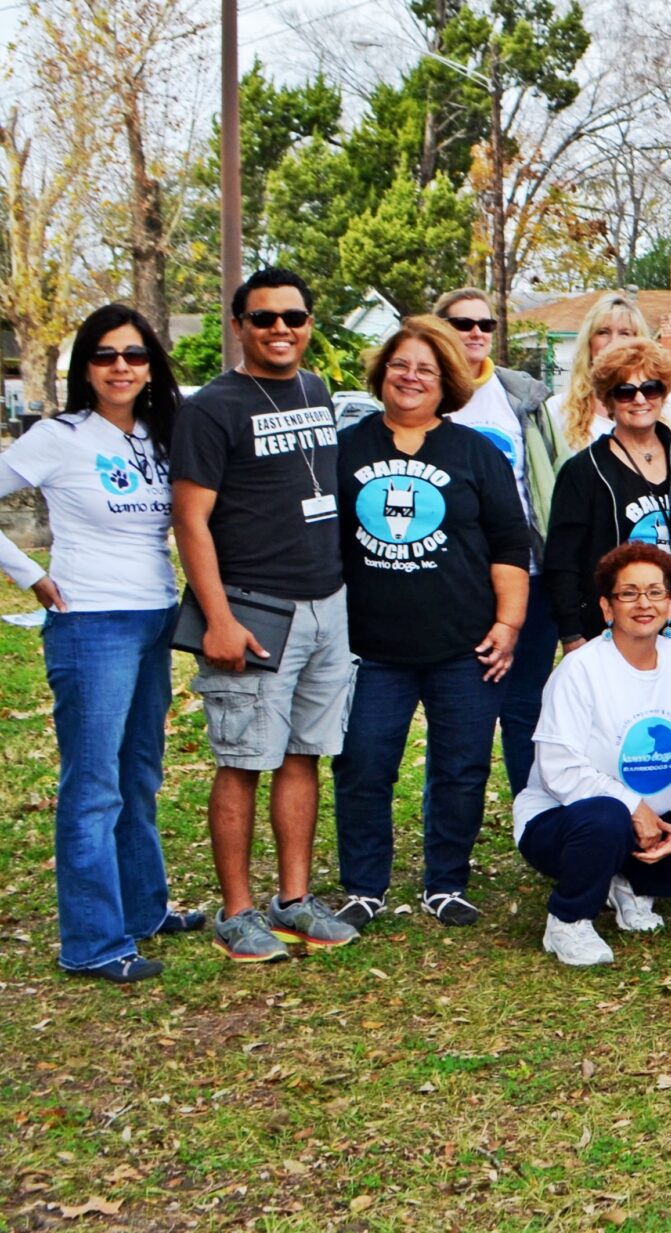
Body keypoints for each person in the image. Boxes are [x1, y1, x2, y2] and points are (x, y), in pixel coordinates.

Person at [168, 267, 363, 960]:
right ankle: (237, 912)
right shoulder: (211, 408)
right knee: (243, 759)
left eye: (294, 317)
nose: (280, 328)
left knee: (305, 753)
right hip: (256, 607)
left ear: (309, 324)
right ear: (239, 326)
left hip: (327, 603)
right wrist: (218, 618)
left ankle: (294, 900)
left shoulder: (315, 390)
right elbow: (190, 520)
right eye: (264, 318)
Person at [2, 305, 192, 980]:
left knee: (138, 774)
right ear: (85, 367)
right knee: (92, 786)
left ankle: (143, 910)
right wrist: (28, 574)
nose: (120, 367)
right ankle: (92, 942)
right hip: (91, 622)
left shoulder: (156, 434)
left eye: (134, 355)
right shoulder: (59, 436)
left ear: (151, 367)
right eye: (105, 355)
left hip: (154, 615)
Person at [331, 317, 532, 929]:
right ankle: (364, 886)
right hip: (369, 648)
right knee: (363, 765)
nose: (411, 377)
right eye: (400, 365)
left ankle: (445, 882)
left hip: (463, 646)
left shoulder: (475, 452)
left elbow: (510, 543)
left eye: (425, 368)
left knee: (462, 768)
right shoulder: (346, 448)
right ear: (381, 374)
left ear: (446, 380)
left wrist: (509, 625)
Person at [513, 542, 671, 966]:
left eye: (655, 592)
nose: (644, 603)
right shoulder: (580, 669)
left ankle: (629, 882)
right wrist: (633, 807)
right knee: (606, 819)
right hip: (565, 819)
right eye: (628, 593)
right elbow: (558, 770)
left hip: (653, 821)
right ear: (607, 607)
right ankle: (568, 921)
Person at [431, 288, 561, 792]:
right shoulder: (428, 395)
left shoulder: (519, 395)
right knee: (459, 715)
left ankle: (530, 817)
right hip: (457, 581)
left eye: (485, 324)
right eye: (463, 324)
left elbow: (547, 479)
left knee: (526, 707)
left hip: (529, 575)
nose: (476, 333)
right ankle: (451, 822)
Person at [546, 340, 671, 650]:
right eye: (625, 391)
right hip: (606, 630)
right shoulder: (584, 470)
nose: (639, 399)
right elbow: (562, 560)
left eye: (650, 389)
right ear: (608, 401)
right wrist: (571, 633)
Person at [546, 293, 671, 451]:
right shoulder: (558, 409)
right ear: (589, 341)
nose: (614, 341)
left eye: (624, 333)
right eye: (603, 332)